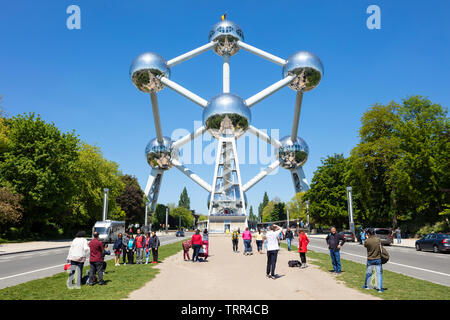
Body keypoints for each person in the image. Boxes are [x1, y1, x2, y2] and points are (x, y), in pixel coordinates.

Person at [362, 228, 384, 293]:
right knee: (379, 274)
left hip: (370, 259)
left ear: (368, 233)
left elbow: (365, 245)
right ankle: (380, 289)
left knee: (369, 273)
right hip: (378, 259)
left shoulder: (367, 241)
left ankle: (367, 286)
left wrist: (366, 237)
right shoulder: (378, 239)